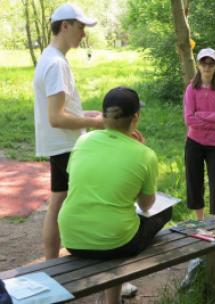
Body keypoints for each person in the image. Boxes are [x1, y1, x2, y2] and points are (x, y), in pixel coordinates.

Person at [58, 87, 172, 304]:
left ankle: (112, 300)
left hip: (72, 237)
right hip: (116, 242)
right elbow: (146, 205)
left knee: (115, 219)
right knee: (163, 212)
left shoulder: (83, 141)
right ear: (135, 117)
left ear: (103, 116)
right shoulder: (144, 155)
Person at [33, 3, 103, 260]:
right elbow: (56, 117)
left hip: (59, 144)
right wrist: (98, 124)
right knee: (90, 204)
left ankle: (52, 265)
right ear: (65, 26)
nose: (83, 33)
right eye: (80, 27)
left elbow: (60, 109)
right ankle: (98, 265)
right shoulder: (56, 64)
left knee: (57, 201)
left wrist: (85, 115)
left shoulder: (49, 57)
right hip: (67, 146)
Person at [183, 48, 215, 220]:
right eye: (204, 62)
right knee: (194, 182)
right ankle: (200, 221)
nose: (207, 67)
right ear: (198, 64)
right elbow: (189, 119)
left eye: (211, 63)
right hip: (194, 142)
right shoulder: (191, 88)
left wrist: (201, 115)